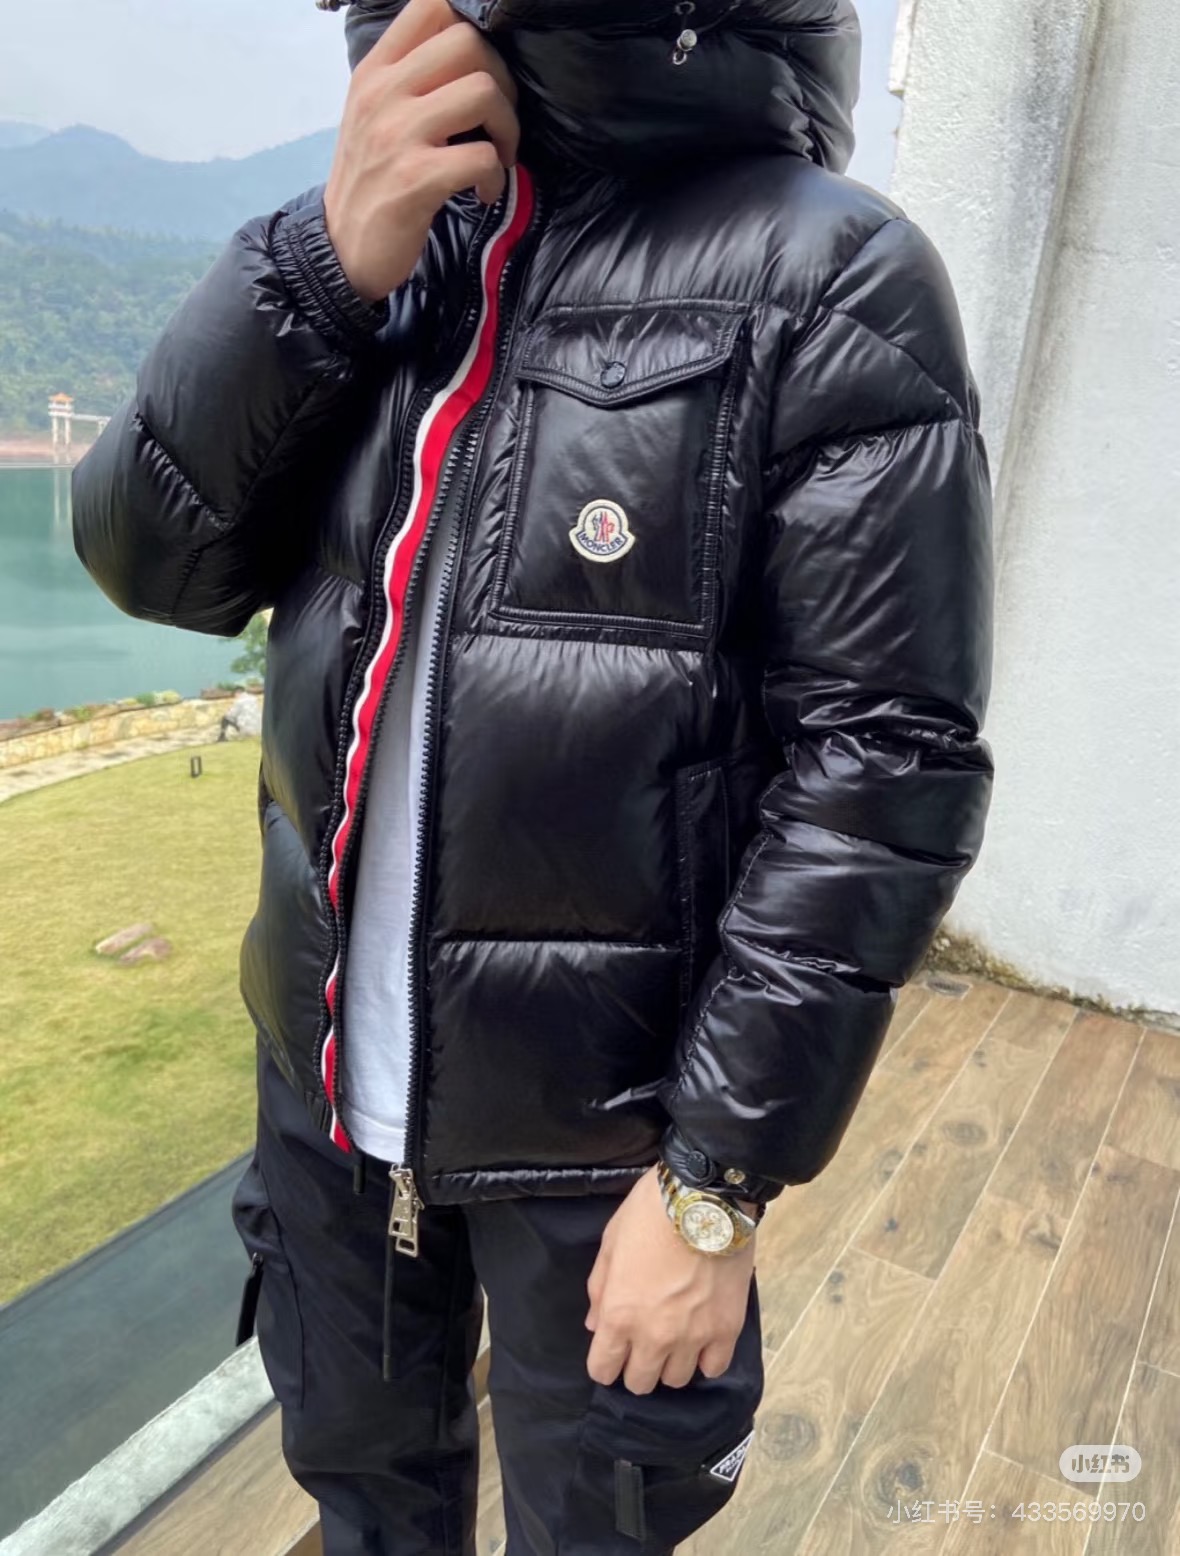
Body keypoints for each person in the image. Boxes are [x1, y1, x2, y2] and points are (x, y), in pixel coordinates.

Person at [72, 0, 995, 1550]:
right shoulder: (390, 241)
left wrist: (715, 1183)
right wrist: (321, 265)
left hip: (614, 1146)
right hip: (326, 1101)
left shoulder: (831, 274)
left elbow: (882, 767)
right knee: (364, 1501)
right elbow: (149, 561)